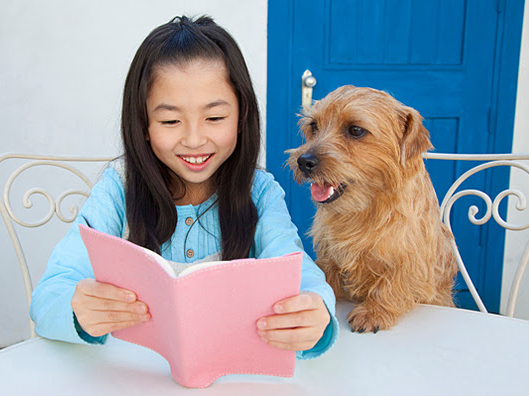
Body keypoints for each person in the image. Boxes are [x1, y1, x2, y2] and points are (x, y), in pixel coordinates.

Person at [30, 15, 338, 359]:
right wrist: (77, 308)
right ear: (143, 124)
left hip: (234, 376)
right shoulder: (119, 189)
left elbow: (300, 275)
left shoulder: (260, 192)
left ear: (242, 115)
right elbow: (48, 296)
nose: (194, 139)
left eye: (215, 118)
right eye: (170, 121)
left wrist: (316, 312)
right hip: (130, 376)